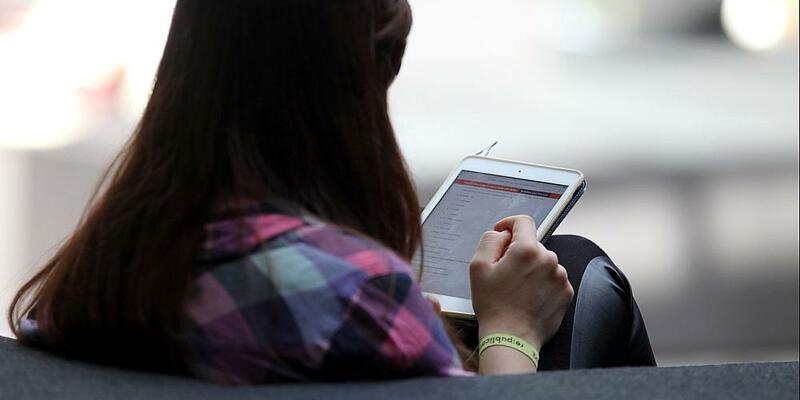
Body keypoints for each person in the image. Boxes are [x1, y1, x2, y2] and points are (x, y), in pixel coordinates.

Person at [7, 0, 655, 384]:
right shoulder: (358, 298)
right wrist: (509, 332)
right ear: (342, 93)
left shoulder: (95, 271)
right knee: (578, 269)